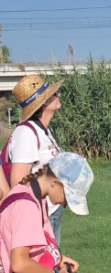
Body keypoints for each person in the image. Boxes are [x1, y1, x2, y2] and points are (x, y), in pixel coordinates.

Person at [9, 74, 66, 245]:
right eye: (53, 94)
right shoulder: (26, 133)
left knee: (53, 263)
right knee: (45, 267)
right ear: (43, 103)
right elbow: (17, 183)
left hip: (51, 211)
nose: (59, 95)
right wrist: (36, 218)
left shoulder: (45, 130)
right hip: (40, 216)